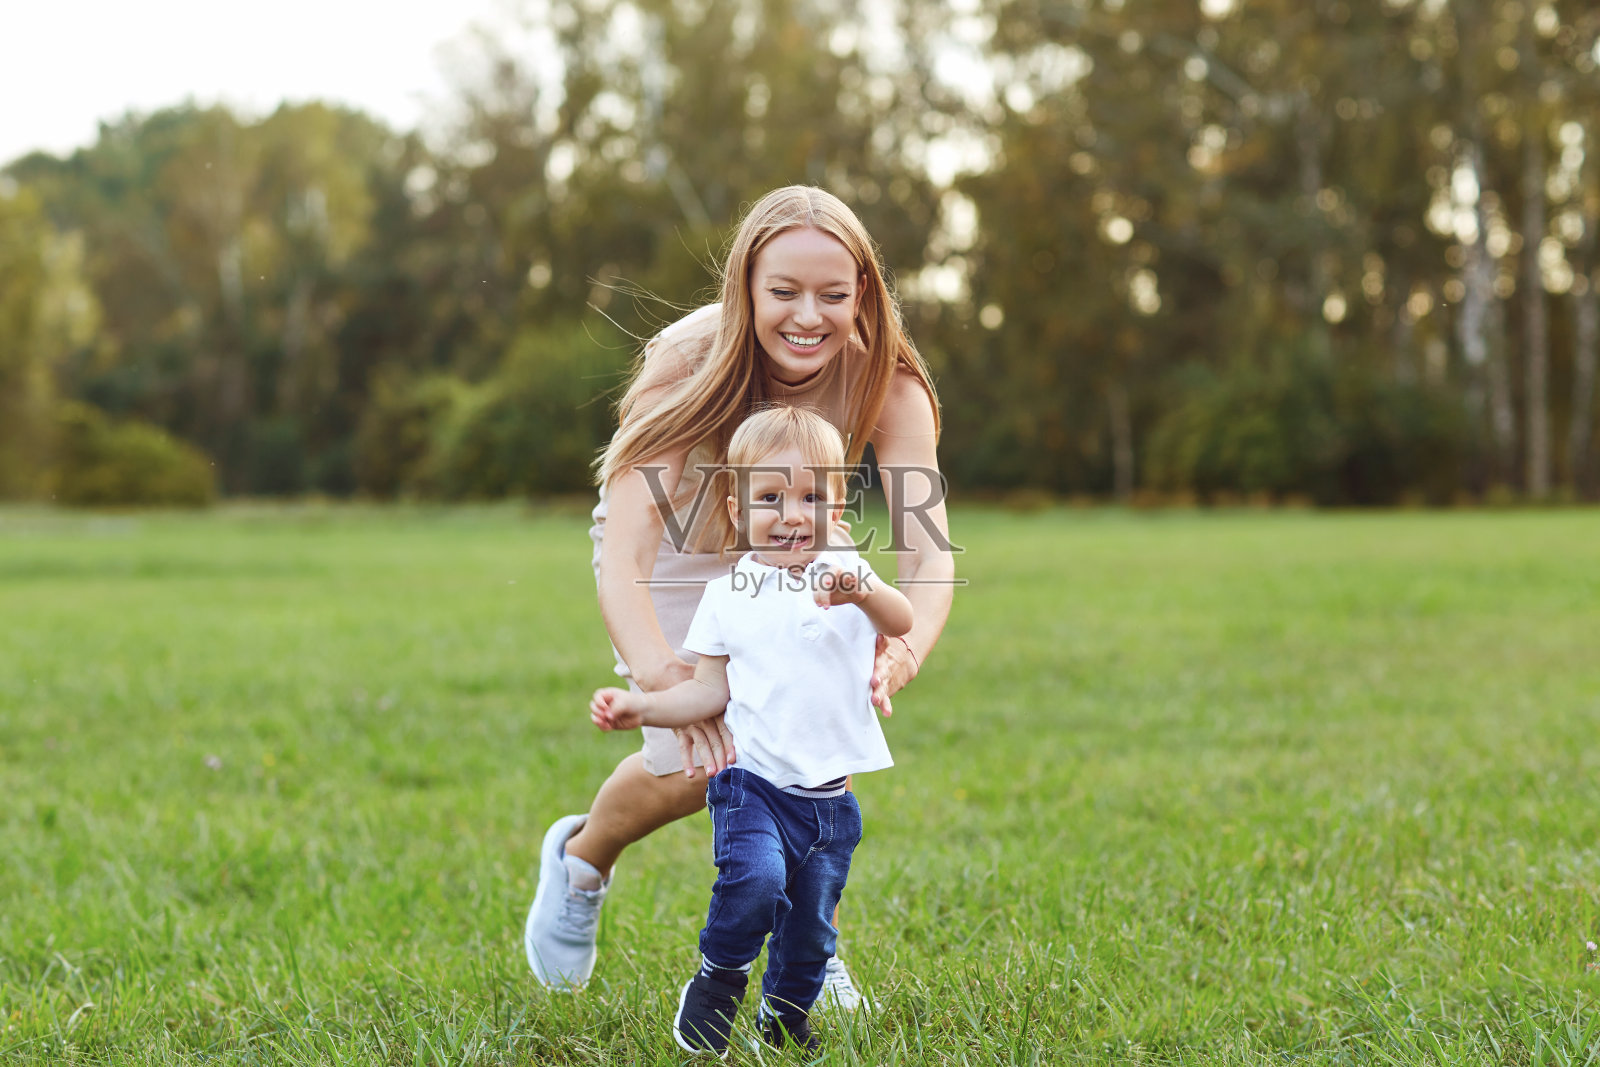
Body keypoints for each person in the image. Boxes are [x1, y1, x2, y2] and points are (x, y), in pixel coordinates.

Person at [524, 185, 955, 1005]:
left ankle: (809, 950)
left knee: (804, 723)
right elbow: (628, 547)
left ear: (863, 290)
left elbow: (929, 552)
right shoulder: (688, 360)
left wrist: (902, 648)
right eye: (783, 291)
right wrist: (664, 677)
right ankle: (581, 859)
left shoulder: (890, 381)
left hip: (800, 538)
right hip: (677, 545)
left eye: (833, 294)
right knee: (698, 762)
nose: (808, 316)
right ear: (746, 286)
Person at [589, 406, 915, 1055]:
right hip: (753, 786)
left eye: (811, 497)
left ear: (838, 508)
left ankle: (784, 1016)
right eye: (770, 498)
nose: (792, 514)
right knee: (756, 881)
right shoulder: (728, 596)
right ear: (738, 511)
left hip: (830, 801)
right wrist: (641, 707)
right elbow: (707, 691)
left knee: (813, 930)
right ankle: (719, 978)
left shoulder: (848, 573)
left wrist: (861, 592)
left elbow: (901, 619)